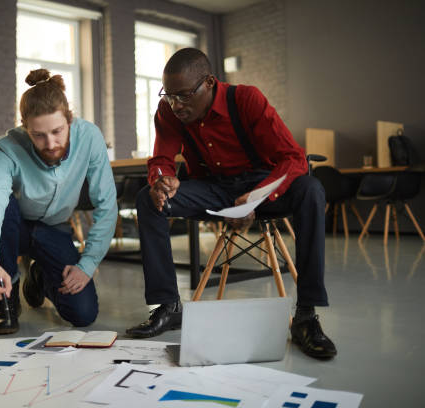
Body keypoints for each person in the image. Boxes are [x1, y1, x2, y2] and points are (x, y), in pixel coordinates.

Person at [125, 48, 337, 359]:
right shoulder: (170, 110)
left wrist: (256, 196)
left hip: (263, 186)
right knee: (148, 200)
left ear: (209, 83)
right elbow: (161, 159)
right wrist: (161, 180)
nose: (176, 104)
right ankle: (168, 305)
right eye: (168, 95)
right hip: (213, 187)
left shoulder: (246, 100)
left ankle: (306, 315)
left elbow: (293, 158)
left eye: (183, 95)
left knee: (311, 190)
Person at [0, 69, 117, 334]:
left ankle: (38, 276)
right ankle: (8, 296)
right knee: (4, 205)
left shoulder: (90, 137)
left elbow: (106, 203)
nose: (50, 143)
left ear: (69, 120)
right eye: (38, 135)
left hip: (54, 228)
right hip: (13, 227)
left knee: (83, 314)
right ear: (25, 126)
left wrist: (87, 265)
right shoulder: (4, 148)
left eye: (57, 131)